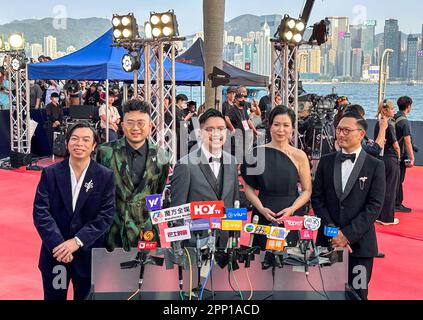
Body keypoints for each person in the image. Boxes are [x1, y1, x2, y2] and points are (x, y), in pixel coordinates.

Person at [33, 122, 115, 300]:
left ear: (94, 145)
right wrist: (59, 245)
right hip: (56, 256)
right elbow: (41, 212)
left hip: (88, 256)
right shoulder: (51, 173)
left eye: (86, 140)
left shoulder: (104, 176)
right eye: (75, 139)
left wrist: (77, 242)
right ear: (67, 142)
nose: (80, 144)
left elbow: (106, 215)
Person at [311, 112, 385, 300]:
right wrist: (334, 233)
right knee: (325, 291)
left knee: (357, 295)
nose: (340, 134)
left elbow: (374, 205)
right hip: (328, 243)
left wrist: (348, 235)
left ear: (361, 134)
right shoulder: (326, 161)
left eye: (346, 130)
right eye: (339, 129)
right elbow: (317, 199)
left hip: (360, 246)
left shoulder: (375, 165)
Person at [96, 99, 170, 250]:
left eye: (141, 123)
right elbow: (97, 192)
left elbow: (157, 192)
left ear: (150, 126)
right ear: (122, 125)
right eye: (130, 122)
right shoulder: (105, 152)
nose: (135, 128)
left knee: (148, 274)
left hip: (146, 234)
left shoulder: (162, 156)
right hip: (111, 234)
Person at [241, 106, 312, 249]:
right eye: (276, 124)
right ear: (270, 126)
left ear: (292, 128)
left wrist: (291, 209)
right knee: (261, 262)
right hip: (263, 213)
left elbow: (307, 190)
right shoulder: (255, 153)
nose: (281, 130)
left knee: (290, 261)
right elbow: (248, 189)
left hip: (291, 216)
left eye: (286, 125)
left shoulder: (300, 156)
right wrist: (261, 209)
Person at [170, 108, 239, 247]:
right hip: (194, 245)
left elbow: (234, 202)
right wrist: (178, 248)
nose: (216, 134)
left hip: (225, 244)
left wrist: (235, 236)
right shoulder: (185, 165)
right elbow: (176, 213)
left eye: (221, 128)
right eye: (210, 129)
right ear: (200, 133)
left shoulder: (232, 162)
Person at [374, 101, 400, 226]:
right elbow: (396, 145)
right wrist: (399, 157)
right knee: (390, 187)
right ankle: (387, 218)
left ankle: (379, 215)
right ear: (385, 111)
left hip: (380, 158)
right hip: (390, 159)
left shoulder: (377, 123)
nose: (394, 110)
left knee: (382, 188)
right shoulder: (388, 125)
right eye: (392, 108)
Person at [394, 96, 414, 213]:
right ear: (409, 107)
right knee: (399, 179)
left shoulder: (394, 117)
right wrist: (411, 157)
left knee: (393, 180)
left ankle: (393, 202)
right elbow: (407, 142)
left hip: (390, 153)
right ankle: (397, 203)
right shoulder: (404, 122)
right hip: (399, 155)